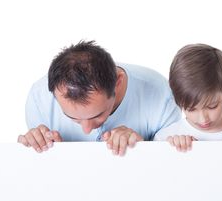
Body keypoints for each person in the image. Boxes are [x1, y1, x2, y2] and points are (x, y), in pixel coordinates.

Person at [18, 40, 181, 156]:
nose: (87, 129)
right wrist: (42, 151)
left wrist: (143, 149)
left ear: (118, 82)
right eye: (72, 118)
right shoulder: (39, 99)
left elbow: (174, 165)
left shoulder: (160, 95)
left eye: (97, 115)